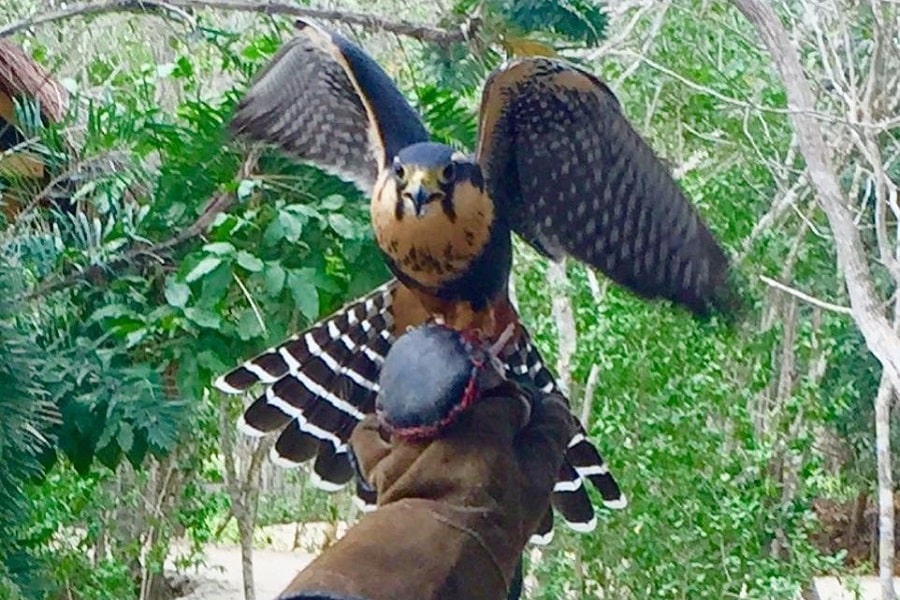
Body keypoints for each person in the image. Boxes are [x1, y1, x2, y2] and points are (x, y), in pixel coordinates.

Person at [276, 324, 576, 600]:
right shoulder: (506, 489)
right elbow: (554, 418)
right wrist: (518, 387)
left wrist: (426, 378)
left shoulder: (385, 458)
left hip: (320, 587)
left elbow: (372, 426)